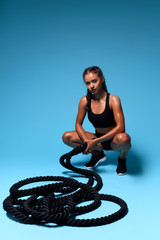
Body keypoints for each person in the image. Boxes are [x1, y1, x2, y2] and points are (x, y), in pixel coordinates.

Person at [62, 66, 131, 175]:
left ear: (102, 79)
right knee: (67, 137)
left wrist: (95, 142)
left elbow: (121, 127)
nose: (92, 86)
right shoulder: (84, 101)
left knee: (124, 138)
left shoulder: (113, 100)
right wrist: (86, 141)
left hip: (113, 140)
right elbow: (78, 125)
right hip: (97, 139)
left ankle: (122, 159)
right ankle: (97, 154)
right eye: (88, 83)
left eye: (94, 81)